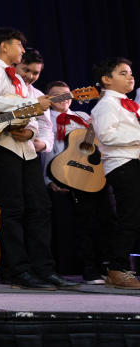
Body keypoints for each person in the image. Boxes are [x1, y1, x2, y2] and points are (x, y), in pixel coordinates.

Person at [0, 27, 75, 290]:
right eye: (19, 44)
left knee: (41, 207)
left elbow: (40, 123)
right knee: (14, 207)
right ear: (4, 46)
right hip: (3, 146)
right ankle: (17, 270)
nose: (21, 49)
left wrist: (30, 130)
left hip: (27, 149)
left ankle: (43, 268)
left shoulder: (23, 85)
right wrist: (23, 109)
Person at [41, 80, 113, 285]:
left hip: (91, 175)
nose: (62, 99)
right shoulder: (47, 118)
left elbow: (93, 143)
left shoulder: (81, 117)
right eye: (56, 95)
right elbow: (48, 153)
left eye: (66, 94)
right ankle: (87, 268)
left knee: (103, 221)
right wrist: (48, 179)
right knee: (80, 224)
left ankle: (106, 266)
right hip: (65, 176)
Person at [89, 57, 140, 289]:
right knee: (129, 216)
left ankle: (119, 267)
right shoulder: (106, 104)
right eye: (123, 73)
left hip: (132, 162)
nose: (130, 76)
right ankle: (118, 268)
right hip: (122, 165)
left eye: (130, 72)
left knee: (132, 215)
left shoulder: (127, 103)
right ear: (106, 80)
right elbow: (106, 136)